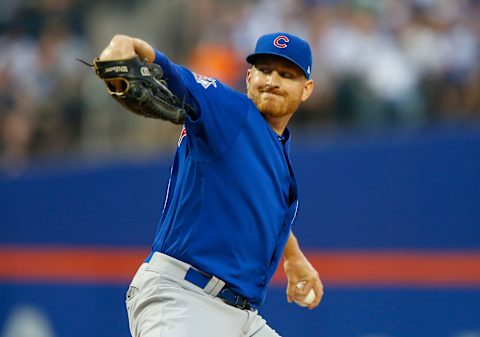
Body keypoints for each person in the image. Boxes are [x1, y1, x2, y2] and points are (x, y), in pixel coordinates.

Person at [98, 32, 324, 337]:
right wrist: (127, 46)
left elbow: (263, 207)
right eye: (264, 70)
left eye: (286, 74)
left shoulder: (278, 151)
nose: (272, 79)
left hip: (242, 317)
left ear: (306, 89)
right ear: (248, 77)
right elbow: (176, 76)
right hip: (184, 298)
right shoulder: (229, 111)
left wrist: (294, 257)